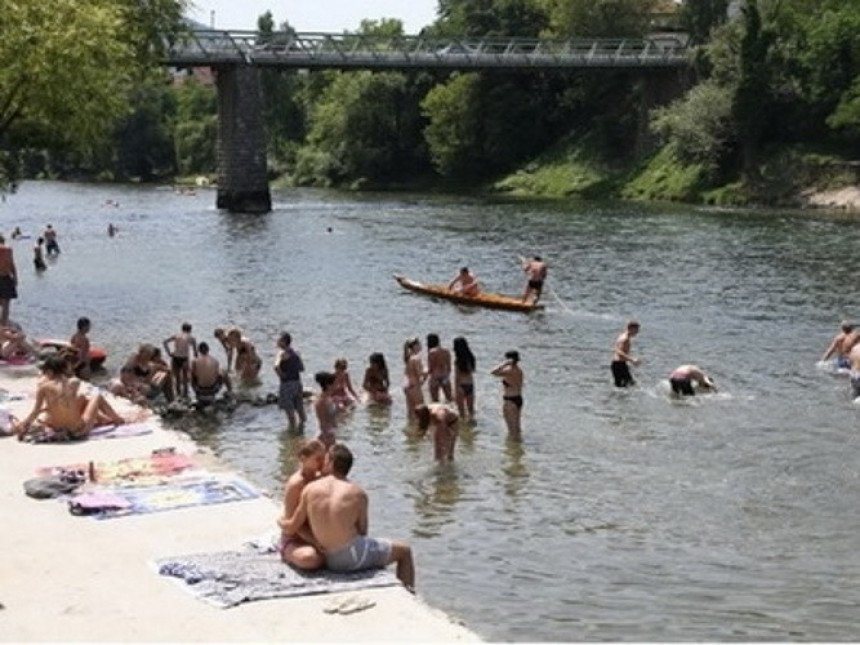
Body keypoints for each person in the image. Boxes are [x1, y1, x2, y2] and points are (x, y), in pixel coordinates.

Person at [283, 443, 416, 590]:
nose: (322, 463)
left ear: (331, 463)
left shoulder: (309, 489)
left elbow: (293, 525)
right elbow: (363, 531)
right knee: (404, 551)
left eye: (325, 458)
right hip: (352, 558)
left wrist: (280, 521)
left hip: (324, 557)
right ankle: (409, 593)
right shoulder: (358, 493)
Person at [13, 355, 126, 440]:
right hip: (77, 430)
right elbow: (67, 401)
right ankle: (117, 419)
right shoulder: (74, 382)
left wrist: (25, 424)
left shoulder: (43, 387)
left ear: (50, 371)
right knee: (96, 396)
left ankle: (105, 419)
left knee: (82, 398)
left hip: (57, 427)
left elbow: (36, 411)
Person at [277, 439, 327, 570]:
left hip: (316, 535)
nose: (322, 463)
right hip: (295, 538)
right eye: (318, 459)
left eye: (324, 458)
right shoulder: (296, 484)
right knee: (310, 559)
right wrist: (315, 542)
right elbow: (292, 524)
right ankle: (287, 553)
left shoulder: (321, 478)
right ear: (303, 459)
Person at [274, 332, 306, 431]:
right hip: (297, 383)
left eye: (279, 340)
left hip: (287, 385)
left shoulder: (281, 353)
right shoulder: (296, 352)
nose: (277, 341)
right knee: (300, 410)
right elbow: (302, 368)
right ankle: (302, 430)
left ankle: (292, 436)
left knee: (290, 413)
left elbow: (275, 366)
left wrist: (282, 376)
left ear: (283, 342)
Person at [491, 350, 524, 441]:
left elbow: (493, 372)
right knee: (517, 427)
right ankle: (518, 448)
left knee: (511, 430)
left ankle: (512, 451)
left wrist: (504, 364)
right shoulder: (519, 370)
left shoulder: (509, 370)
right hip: (518, 398)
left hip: (510, 400)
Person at [163, 322, 198, 399]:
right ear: (190, 330)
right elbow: (195, 352)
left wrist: (169, 353)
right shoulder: (191, 338)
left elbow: (165, 342)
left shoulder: (176, 335)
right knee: (185, 378)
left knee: (177, 378)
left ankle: (178, 395)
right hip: (184, 359)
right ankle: (185, 395)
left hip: (175, 357)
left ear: (182, 329)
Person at [452, 336, 477, 421]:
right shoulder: (471, 358)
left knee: (461, 414)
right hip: (470, 384)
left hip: (461, 386)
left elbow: (457, 376)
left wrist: (455, 389)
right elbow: (472, 371)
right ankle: (471, 427)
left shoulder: (457, 361)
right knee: (471, 411)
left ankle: (464, 431)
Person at [611, 320, 641, 388]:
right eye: (636, 330)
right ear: (631, 328)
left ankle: (619, 398)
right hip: (619, 365)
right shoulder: (625, 339)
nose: (637, 332)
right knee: (630, 385)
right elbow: (619, 351)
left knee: (625, 386)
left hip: (619, 364)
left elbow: (616, 349)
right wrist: (632, 360)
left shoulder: (622, 336)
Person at [403, 337, 425, 421]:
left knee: (411, 413)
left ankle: (411, 430)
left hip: (407, 386)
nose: (420, 345)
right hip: (415, 386)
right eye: (419, 344)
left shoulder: (408, 357)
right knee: (421, 411)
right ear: (415, 346)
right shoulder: (416, 358)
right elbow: (420, 374)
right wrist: (427, 371)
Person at [314, 371, 338, 447]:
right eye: (334, 383)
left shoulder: (328, 398)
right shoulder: (321, 401)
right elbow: (322, 421)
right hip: (325, 435)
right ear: (328, 385)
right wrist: (327, 437)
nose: (336, 385)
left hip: (331, 432)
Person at [426, 333, 453, 403]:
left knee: (435, 402)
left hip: (435, 377)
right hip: (445, 376)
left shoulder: (431, 352)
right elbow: (449, 367)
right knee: (450, 400)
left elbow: (430, 368)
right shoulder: (446, 351)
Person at [0, 234, 18, 326]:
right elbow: (11, 264)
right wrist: (15, 278)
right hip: (5, 277)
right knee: (6, 304)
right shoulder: (7, 250)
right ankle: (3, 326)